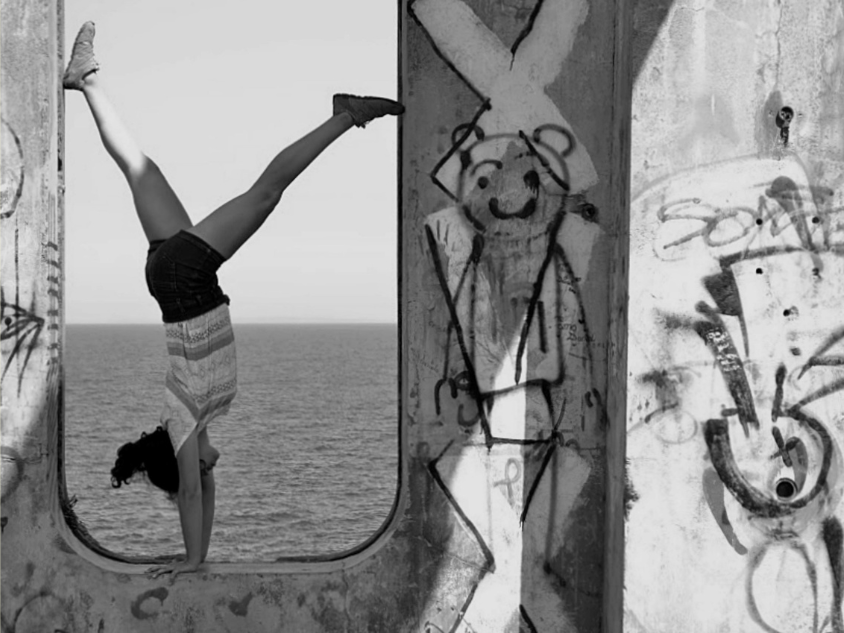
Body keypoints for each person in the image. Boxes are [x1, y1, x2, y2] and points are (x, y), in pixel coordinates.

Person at [63, 21, 404, 579]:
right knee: (138, 168)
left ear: (184, 464)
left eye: (197, 472)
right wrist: (199, 557)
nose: (210, 473)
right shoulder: (197, 421)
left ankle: (347, 112)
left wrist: (191, 561)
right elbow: (204, 494)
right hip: (170, 279)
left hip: (186, 280)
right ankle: (89, 81)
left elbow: (193, 496)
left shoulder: (184, 423)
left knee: (265, 194)